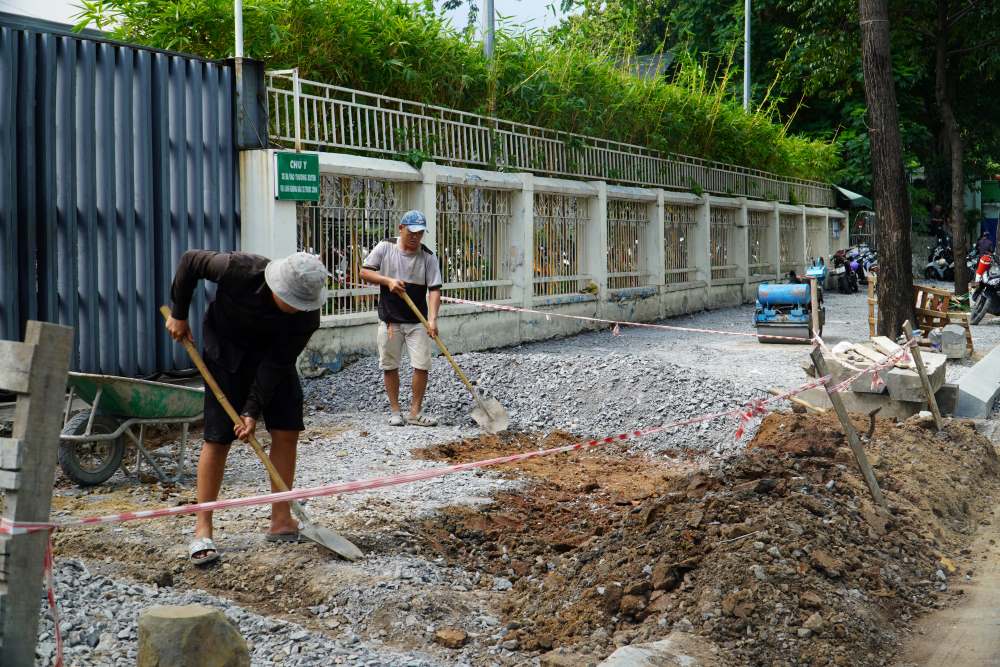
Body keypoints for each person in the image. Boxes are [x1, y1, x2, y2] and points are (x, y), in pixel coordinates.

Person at [165, 250, 327, 565]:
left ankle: (281, 520)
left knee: (287, 429)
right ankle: (203, 527)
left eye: (300, 304)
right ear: (278, 287)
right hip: (226, 355)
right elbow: (189, 261)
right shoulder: (238, 269)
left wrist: (252, 409)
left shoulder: (307, 315)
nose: (296, 309)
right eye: (291, 301)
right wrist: (179, 312)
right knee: (218, 437)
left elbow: (279, 361)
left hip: (272, 362)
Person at [359, 210, 443, 427]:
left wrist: (432, 319)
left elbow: (434, 290)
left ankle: (415, 412)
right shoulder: (385, 247)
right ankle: (395, 411)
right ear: (401, 228)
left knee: (422, 365)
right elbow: (364, 272)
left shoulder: (428, 257)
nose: (416, 237)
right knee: (390, 365)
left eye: (420, 233)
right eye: (412, 232)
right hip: (390, 320)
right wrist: (388, 281)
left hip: (417, 322)